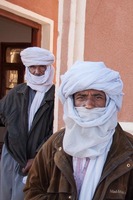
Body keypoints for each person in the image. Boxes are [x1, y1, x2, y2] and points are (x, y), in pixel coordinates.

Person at [24, 61, 133, 200]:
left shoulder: (128, 149)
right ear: (71, 102)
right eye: (81, 97)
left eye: (97, 97)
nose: (89, 105)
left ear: (109, 102)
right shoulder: (55, 145)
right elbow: (32, 191)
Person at [0, 46, 55, 200]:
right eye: (32, 67)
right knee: (5, 194)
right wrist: (15, 129)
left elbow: (55, 132)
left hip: (36, 158)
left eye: (41, 67)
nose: (37, 72)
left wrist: (37, 156)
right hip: (11, 155)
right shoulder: (16, 92)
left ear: (49, 68)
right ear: (27, 69)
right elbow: (3, 114)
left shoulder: (56, 96)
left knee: (27, 195)